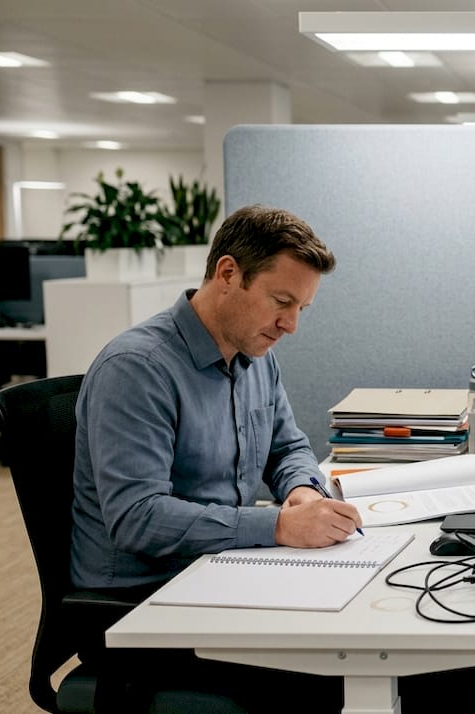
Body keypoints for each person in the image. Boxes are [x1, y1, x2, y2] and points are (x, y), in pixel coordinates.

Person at [71, 204, 360, 711]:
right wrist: (277, 529)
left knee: (374, 640)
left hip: (220, 575)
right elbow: (138, 519)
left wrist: (300, 492)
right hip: (143, 606)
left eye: (301, 309)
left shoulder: (255, 359)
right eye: (281, 301)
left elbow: (287, 446)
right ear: (228, 273)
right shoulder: (138, 369)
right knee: (344, 675)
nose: (290, 325)